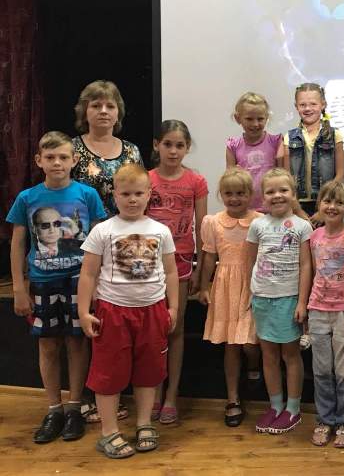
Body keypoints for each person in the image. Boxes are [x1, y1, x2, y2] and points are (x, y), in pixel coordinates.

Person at [7, 131, 106, 444]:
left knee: (77, 342)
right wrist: (19, 287)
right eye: (50, 157)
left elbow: (100, 240)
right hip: (43, 280)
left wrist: (99, 281)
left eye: (63, 157)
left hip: (80, 280)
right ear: (39, 160)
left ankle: (75, 407)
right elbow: (17, 243)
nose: (57, 163)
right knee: (48, 344)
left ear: (74, 160)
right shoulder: (27, 198)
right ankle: (54, 409)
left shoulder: (88, 195)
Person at [77, 164, 179, 459]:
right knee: (108, 373)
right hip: (112, 312)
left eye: (138, 193)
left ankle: (144, 423)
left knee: (149, 372)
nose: (132, 199)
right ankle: (109, 432)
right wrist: (83, 311)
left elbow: (171, 271)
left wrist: (173, 306)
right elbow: (88, 274)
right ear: (115, 195)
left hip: (153, 311)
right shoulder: (103, 231)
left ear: (149, 194)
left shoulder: (161, 231)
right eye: (125, 194)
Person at [146, 120, 208, 424]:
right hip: (148, 264)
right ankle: (155, 392)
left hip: (181, 262)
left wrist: (199, 269)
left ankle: (172, 395)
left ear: (187, 148)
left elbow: (202, 228)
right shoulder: (147, 180)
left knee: (176, 327)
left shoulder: (196, 181)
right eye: (168, 144)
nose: (173, 151)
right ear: (156, 145)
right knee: (154, 329)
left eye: (179, 145)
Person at [244, 168, 313, 434]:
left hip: (289, 299)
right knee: (269, 354)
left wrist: (302, 302)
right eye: (270, 191)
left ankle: (293, 409)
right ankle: (275, 405)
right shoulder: (257, 225)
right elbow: (250, 262)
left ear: (293, 194)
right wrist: (251, 294)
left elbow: (306, 266)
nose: (277, 195)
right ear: (263, 197)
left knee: (290, 354)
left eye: (283, 190)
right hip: (262, 299)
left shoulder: (302, 226)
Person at [198, 168, 261, 427]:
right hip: (225, 285)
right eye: (229, 193)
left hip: (253, 284)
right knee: (231, 344)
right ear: (221, 195)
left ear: (250, 194)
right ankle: (233, 399)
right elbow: (209, 257)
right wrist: (204, 286)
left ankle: (254, 364)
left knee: (249, 342)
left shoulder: (260, 220)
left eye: (240, 193)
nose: (234, 198)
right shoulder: (213, 222)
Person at [307, 181, 344, 448]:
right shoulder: (315, 236)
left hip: (343, 311)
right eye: (327, 201)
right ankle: (324, 420)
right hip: (318, 310)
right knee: (321, 370)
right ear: (320, 205)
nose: (332, 207)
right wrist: (306, 307)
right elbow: (313, 273)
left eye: (339, 202)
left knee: (343, 371)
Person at [71, 80, 143, 218]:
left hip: (124, 228)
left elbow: (141, 192)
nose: (103, 111)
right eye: (96, 106)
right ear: (84, 112)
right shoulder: (71, 148)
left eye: (110, 106)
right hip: (83, 228)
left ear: (118, 113)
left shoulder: (132, 150)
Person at [284, 82, 344, 221]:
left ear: (323, 105)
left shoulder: (335, 135)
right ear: (296, 106)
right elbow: (286, 178)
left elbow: (340, 175)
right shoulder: (289, 137)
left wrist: (324, 208)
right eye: (302, 105)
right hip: (297, 205)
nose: (307, 108)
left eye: (313, 104)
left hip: (328, 204)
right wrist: (297, 209)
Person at [225, 92, 284, 212]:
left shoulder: (276, 142)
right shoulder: (233, 146)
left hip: (273, 209)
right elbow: (230, 182)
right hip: (245, 211)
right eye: (249, 119)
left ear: (267, 117)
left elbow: (284, 177)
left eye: (260, 119)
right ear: (238, 118)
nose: (255, 124)